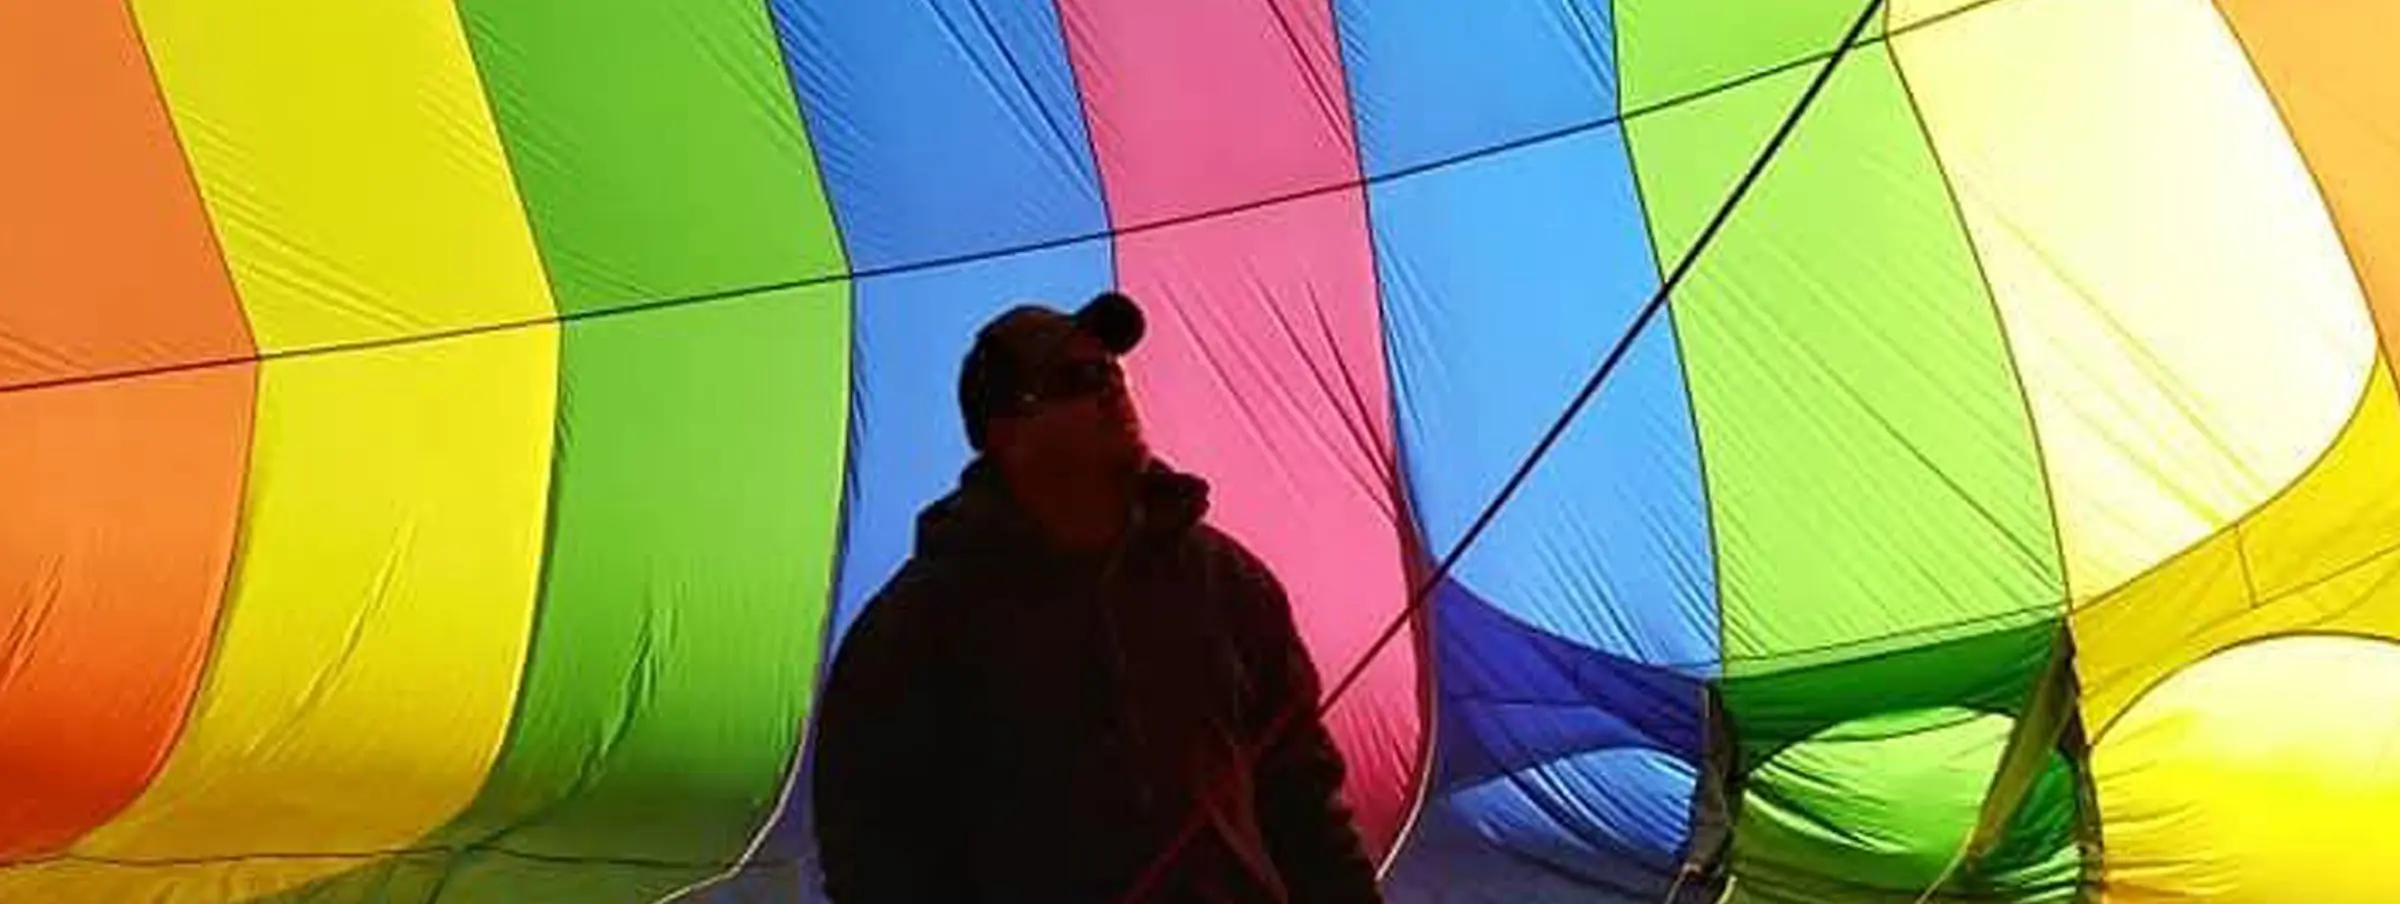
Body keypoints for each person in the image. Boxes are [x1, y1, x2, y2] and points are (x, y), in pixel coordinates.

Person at [811, 290, 1385, 903]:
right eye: (1075, 379)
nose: (1110, 387)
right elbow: (873, 852)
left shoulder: (1229, 585)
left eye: (1111, 370)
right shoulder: (915, 628)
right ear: (1006, 431)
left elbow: (1304, 804)